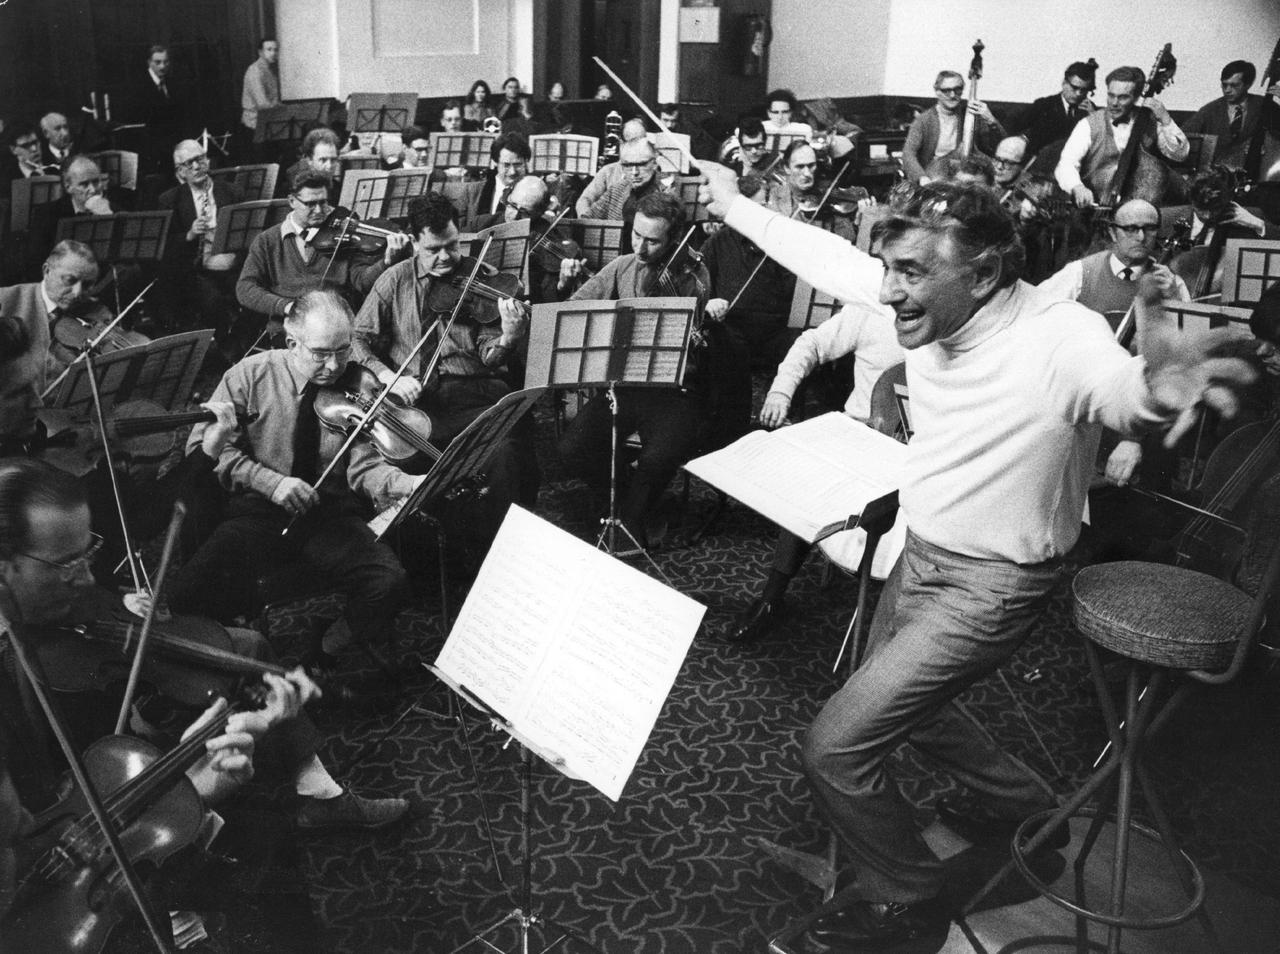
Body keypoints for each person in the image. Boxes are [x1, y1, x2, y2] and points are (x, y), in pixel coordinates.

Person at [698, 166, 1253, 949]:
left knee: (836, 747)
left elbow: (1117, 391)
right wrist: (734, 205)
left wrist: (1160, 388)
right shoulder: (930, 294)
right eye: (890, 268)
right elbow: (827, 257)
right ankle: (1019, 802)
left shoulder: (1057, 335)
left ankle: (906, 893)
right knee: (908, 714)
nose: (889, 292)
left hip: (994, 583)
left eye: (912, 273)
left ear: (986, 271)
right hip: (921, 551)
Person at [168, 290, 421, 673]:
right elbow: (203, 449)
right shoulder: (249, 375)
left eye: (343, 349)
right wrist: (272, 483)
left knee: (389, 580)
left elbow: (364, 468)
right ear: (292, 343)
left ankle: (328, 643)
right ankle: (226, 662)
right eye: (321, 353)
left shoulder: (358, 385)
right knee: (185, 592)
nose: (335, 365)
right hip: (259, 511)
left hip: (328, 515)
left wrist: (406, 483)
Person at [352, 193, 537, 536]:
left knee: (507, 450)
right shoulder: (394, 280)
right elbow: (357, 339)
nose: (446, 258)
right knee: (400, 456)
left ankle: (500, 546)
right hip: (415, 402)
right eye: (433, 250)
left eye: (452, 246)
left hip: (474, 394)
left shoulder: (483, 280)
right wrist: (388, 376)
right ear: (413, 242)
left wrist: (509, 338)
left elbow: (490, 355)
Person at [727, 288, 903, 642]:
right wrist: (780, 391)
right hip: (860, 434)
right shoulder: (872, 309)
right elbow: (812, 344)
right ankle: (771, 598)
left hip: (918, 453)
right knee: (807, 489)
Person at [558, 191, 722, 548]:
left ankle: (632, 515)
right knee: (572, 448)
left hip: (674, 388)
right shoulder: (621, 267)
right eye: (636, 235)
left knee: (658, 458)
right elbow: (574, 309)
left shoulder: (694, 273)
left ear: (674, 239)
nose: (641, 248)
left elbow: (697, 339)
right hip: (625, 384)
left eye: (653, 240)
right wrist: (567, 282)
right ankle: (626, 499)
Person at [236, 167, 410, 319]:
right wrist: (286, 306)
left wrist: (386, 263)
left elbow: (362, 282)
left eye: (323, 202)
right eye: (311, 204)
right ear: (292, 201)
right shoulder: (268, 240)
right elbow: (245, 288)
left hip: (336, 322)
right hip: (287, 326)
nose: (319, 211)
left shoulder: (343, 234)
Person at [0, 241, 112, 450]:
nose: (78, 293)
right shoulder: (5, 300)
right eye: (70, 280)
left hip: (65, 425)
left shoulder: (97, 313)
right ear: (46, 270)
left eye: (88, 285)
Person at [1038, 198, 1190, 324]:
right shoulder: (1081, 271)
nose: (1141, 237)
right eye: (1131, 229)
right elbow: (1037, 309)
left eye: (1150, 228)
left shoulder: (1171, 282)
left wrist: (1174, 299)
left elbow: (1189, 341)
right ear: (1112, 232)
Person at [1056, 65, 1189, 208]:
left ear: (1136, 97)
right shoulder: (1088, 124)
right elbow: (1067, 164)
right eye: (1111, 95)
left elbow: (1180, 154)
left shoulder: (1149, 121)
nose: (1114, 103)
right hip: (1097, 205)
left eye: (1123, 97)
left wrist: (1165, 119)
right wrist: (1077, 187)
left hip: (1138, 209)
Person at [702, 175, 798, 371]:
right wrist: (708, 302)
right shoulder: (718, 241)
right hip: (732, 327)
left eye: (764, 207)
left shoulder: (781, 240)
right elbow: (698, 281)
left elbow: (794, 293)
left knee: (797, 344)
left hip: (774, 330)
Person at [158, 139, 245, 343]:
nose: (197, 166)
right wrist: (189, 234)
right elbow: (164, 245)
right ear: (180, 172)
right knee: (211, 301)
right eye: (189, 163)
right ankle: (225, 346)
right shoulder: (169, 200)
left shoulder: (233, 192)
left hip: (233, 263)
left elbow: (247, 234)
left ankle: (243, 341)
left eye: (200, 159)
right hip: (196, 269)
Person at [902, 70, 1005, 184]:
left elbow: (1001, 147)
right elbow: (908, 153)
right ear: (937, 91)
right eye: (946, 91)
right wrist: (921, 177)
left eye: (957, 89)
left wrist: (991, 120)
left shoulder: (971, 117)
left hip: (965, 177)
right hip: (935, 179)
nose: (952, 95)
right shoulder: (924, 120)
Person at [578, 138, 667, 244]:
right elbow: (588, 221)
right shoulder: (618, 188)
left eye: (641, 164)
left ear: (655, 163)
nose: (634, 172)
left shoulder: (667, 191)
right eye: (628, 165)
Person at [1182, 60, 1268, 166]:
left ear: (1248, 85)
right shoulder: (1210, 110)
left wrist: (1267, 145)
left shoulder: (1263, 105)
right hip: (1217, 175)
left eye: (1234, 85)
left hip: (1254, 171)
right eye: (1224, 85)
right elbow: (1183, 136)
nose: (1227, 90)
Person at [1011, 60, 1098, 158]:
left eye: (1084, 90)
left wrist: (1095, 118)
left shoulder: (1090, 110)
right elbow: (1015, 130)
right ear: (1064, 83)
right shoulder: (1043, 105)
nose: (1078, 94)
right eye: (1074, 88)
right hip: (1041, 165)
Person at [574, 118, 649, 216]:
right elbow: (585, 200)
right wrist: (587, 223)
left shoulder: (651, 171)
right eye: (632, 142)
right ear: (622, 143)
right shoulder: (608, 171)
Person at [137, 44, 188, 175]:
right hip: (152, 150)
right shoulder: (140, 86)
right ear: (149, 63)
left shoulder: (172, 83)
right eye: (158, 62)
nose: (162, 66)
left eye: (165, 62)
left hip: (173, 147)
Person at [280, 127, 342, 200]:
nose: (329, 166)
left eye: (333, 160)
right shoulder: (293, 189)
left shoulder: (340, 189)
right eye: (323, 160)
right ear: (309, 160)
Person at [240, 37, 281, 144]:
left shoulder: (269, 70)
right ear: (260, 52)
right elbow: (262, 104)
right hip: (254, 125)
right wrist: (282, 108)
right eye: (269, 49)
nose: (273, 53)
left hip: (266, 123)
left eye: (275, 50)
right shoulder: (255, 71)